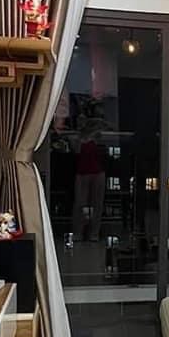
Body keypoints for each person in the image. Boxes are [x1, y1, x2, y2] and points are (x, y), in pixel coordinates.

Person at [72, 100, 107, 241]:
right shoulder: (77, 136)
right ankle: (78, 232)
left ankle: (94, 233)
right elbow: (76, 151)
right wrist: (81, 135)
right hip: (82, 173)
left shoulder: (98, 133)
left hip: (98, 172)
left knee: (97, 204)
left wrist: (94, 128)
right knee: (80, 204)